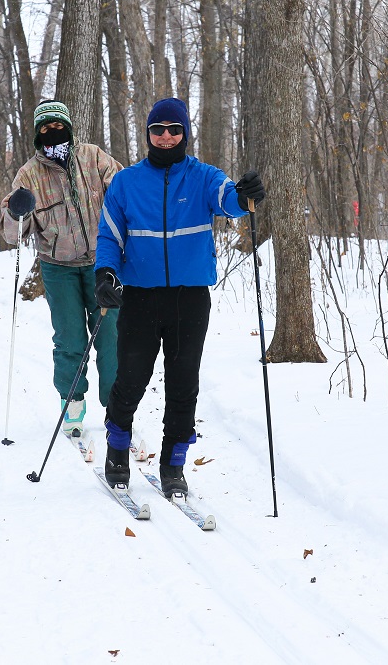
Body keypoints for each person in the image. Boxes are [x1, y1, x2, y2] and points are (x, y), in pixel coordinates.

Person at [94, 97, 265, 497]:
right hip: (139, 297)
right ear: (148, 134)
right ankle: (117, 449)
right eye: (158, 129)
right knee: (131, 380)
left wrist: (244, 196)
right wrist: (106, 273)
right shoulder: (126, 183)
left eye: (174, 129)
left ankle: (174, 464)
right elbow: (109, 236)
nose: (166, 136)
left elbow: (228, 200)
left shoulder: (204, 177)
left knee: (184, 383)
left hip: (190, 299)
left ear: (185, 132)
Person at [2, 99, 123, 435]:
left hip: (104, 262)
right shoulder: (28, 174)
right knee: (69, 338)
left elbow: (126, 191)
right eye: (44, 128)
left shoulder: (93, 157)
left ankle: (116, 407)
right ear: (36, 134)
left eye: (57, 125)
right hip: (58, 267)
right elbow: (13, 234)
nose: (51, 132)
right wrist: (16, 211)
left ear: (69, 126)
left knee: (111, 335)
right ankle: (72, 403)